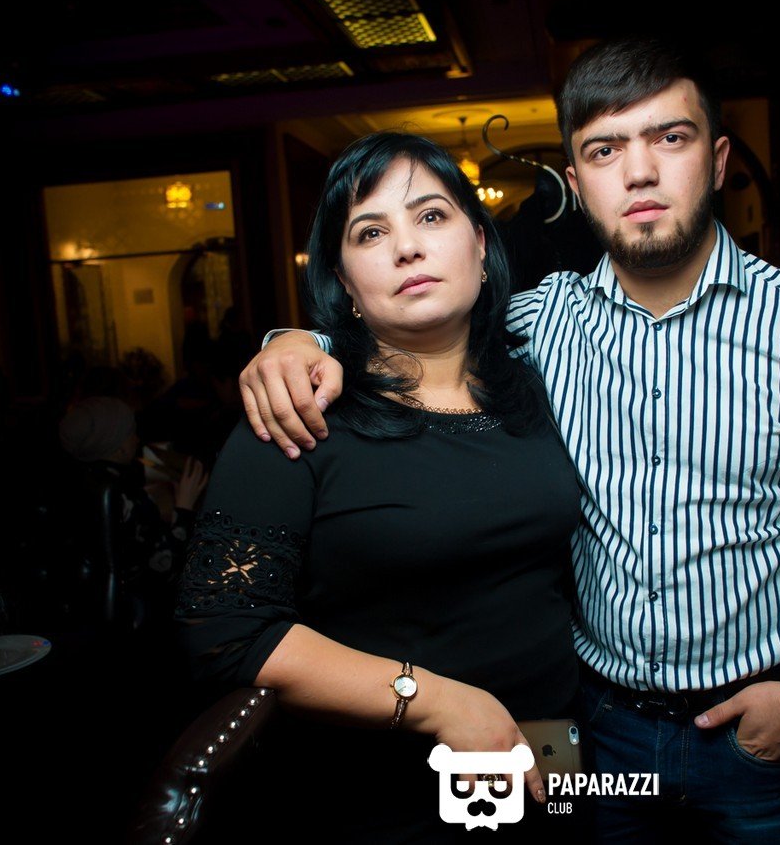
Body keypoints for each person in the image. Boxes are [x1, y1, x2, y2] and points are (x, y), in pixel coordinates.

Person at [238, 38, 780, 841]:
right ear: (575, 186)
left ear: (716, 161)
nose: (638, 172)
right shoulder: (541, 322)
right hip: (592, 727)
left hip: (763, 736)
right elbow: (412, 324)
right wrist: (297, 342)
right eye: (605, 150)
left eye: (669, 138)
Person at [175, 132, 582, 841]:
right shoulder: (299, 415)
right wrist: (433, 701)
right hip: (386, 797)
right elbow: (223, 631)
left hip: (553, 764)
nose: (407, 248)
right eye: (371, 232)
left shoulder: (543, 386)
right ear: (344, 282)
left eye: (431, 216)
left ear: (479, 244)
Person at [58, 395, 208, 626]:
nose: (137, 439)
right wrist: (184, 508)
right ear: (117, 447)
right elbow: (163, 566)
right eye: (131, 433)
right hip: (138, 612)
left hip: (85, 608)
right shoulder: (121, 494)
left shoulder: (80, 481)